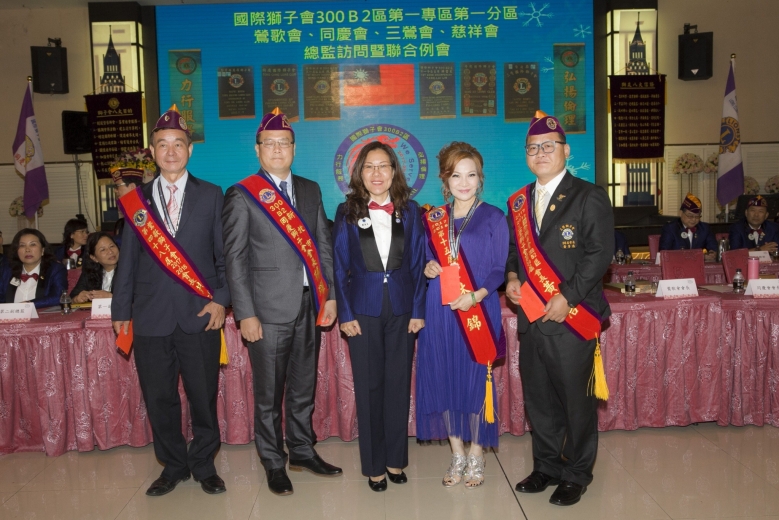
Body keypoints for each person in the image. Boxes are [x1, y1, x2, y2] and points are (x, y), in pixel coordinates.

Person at [111, 105, 230, 497]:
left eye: (178, 144)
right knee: (159, 397)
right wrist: (120, 310)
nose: (171, 151)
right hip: (150, 316)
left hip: (200, 315)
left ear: (190, 149)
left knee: (203, 396)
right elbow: (128, 260)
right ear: (152, 151)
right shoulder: (136, 201)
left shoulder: (212, 195)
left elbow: (224, 256)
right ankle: (173, 466)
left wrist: (221, 300)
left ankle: (204, 465)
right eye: (162, 144)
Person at [222, 108, 341, 496]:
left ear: (294, 148)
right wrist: (245, 313)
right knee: (269, 395)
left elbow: (323, 245)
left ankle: (302, 450)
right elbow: (235, 258)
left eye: (284, 143)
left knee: (304, 387)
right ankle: (273, 461)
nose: (277, 149)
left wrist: (330, 296)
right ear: (257, 149)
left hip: (309, 305)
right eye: (269, 144)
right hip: (267, 311)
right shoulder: (242, 193)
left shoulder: (310, 189)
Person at [505, 111, 614, 506]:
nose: (540, 153)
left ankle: (577, 473)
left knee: (575, 402)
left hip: (572, 318)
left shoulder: (588, 195)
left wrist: (567, 297)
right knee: (539, 400)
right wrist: (512, 278)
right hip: (532, 320)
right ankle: (547, 466)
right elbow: (513, 252)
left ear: (566, 151)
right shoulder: (518, 201)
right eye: (533, 148)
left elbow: (599, 255)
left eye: (548, 147)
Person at [332, 140, 426, 492]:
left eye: (383, 165)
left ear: (394, 171)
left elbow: (417, 263)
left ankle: (395, 460)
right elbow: (339, 267)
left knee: (398, 386)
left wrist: (418, 310)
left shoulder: (411, 210)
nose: (376, 173)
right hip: (363, 311)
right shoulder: (347, 211)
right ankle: (373, 466)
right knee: (369, 388)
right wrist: (345, 313)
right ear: (360, 172)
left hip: (402, 311)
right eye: (369, 166)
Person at [416, 142, 508, 488]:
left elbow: (498, 269)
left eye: (471, 175)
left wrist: (477, 295)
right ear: (445, 180)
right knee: (444, 377)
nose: (464, 182)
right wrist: (428, 267)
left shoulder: (494, 217)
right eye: (456, 175)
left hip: (478, 308)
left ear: (480, 178)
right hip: (440, 310)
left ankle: (477, 454)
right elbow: (427, 259)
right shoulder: (433, 219)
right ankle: (456, 453)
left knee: (475, 381)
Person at [3, 228, 67, 308]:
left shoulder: (55, 269)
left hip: (42, 315)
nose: (27, 250)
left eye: (32, 244)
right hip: (10, 315)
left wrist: (29, 304)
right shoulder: (7, 270)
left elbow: (58, 296)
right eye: (22, 245)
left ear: (42, 250)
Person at [111, 147, 156, 247]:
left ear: (132, 187)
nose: (115, 190)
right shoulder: (131, 209)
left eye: (117, 186)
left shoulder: (145, 210)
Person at [659, 193, 716, 260]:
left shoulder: (704, 228)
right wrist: (699, 256)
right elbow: (664, 253)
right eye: (690, 216)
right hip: (676, 264)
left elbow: (713, 247)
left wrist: (711, 254)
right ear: (681, 213)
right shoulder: (670, 228)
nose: (694, 219)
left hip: (698, 265)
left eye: (697, 216)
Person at [70, 232, 119, 303]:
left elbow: (135, 298)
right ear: (94, 258)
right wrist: (77, 298)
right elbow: (72, 297)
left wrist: (111, 297)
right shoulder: (89, 272)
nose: (110, 252)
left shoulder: (130, 270)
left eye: (112, 246)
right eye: (103, 250)